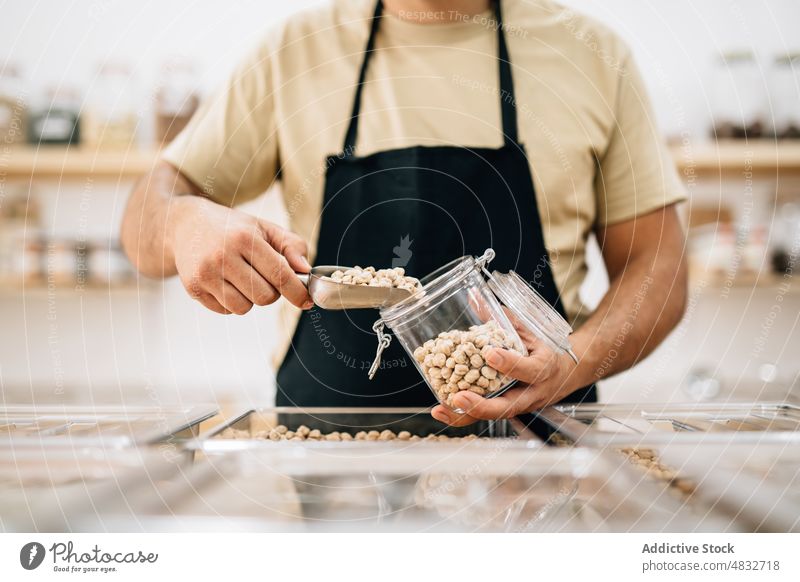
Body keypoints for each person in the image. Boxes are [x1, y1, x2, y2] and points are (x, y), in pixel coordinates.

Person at [121, 0, 687, 426]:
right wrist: (180, 221)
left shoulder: (589, 53)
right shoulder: (293, 53)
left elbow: (659, 266)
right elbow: (148, 216)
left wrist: (574, 360)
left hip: (541, 470)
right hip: (331, 472)